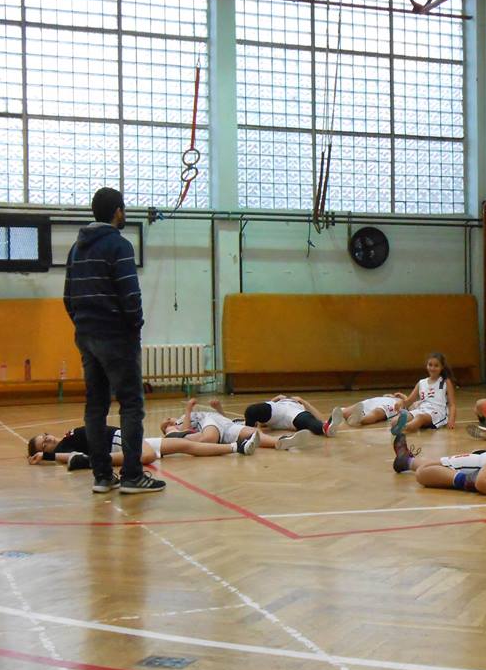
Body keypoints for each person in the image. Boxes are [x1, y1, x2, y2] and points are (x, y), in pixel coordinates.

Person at [64, 187, 163, 494]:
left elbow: (68, 298)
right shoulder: (119, 245)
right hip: (117, 336)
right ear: (118, 211)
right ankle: (132, 475)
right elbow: (130, 294)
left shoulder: (76, 249)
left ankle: (103, 476)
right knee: (131, 404)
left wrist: (84, 326)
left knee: (96, 406)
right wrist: (134, 326)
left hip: (86, 336)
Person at [26, 425, 260, 474]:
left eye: (45, 437)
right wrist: (47, 456)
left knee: (185, 445)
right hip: (118, 441)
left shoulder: (67, 438)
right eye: (43, 443)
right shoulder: (64, 447)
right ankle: (92, 462)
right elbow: (67, 456)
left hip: (121, 436)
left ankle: (236, 447)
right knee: (146, 455)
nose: (48, 440)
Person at [160, 398, 312, 449]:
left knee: (253, 433)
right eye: (166, 423)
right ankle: (235, 447)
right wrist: (188, 409)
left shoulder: (192, 417)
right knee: (209, 438)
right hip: (210, 424)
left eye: (168, 419)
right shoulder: (180, 423)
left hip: (224, 423)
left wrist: (218, 408)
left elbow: (223, 420)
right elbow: (186, 429)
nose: (169, 420)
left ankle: (280, 442)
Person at [389, 352, 457, 436]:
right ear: (426, 365)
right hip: (422, 409)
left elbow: (452, 404)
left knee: (419, 418)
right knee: (394, 421)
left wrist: (451, 420)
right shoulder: (421, 383)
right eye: (430, 365)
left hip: (437, 412)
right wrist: (401, 403)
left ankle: (404, 428)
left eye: (436, 365)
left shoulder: (445, 381)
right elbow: (409, 401)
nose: (432, 368)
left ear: (442, 367)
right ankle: (402, 426)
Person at [243, 394, 344, 437]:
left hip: (293, 415)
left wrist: (303, 401)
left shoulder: (301, 405)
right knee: (252, 410)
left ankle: (325, 428)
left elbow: (320, 418)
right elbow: (263, 420)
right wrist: (276, 399)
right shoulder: (278, 402)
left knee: (308, 421)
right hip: (278, 411)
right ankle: (248, 432)